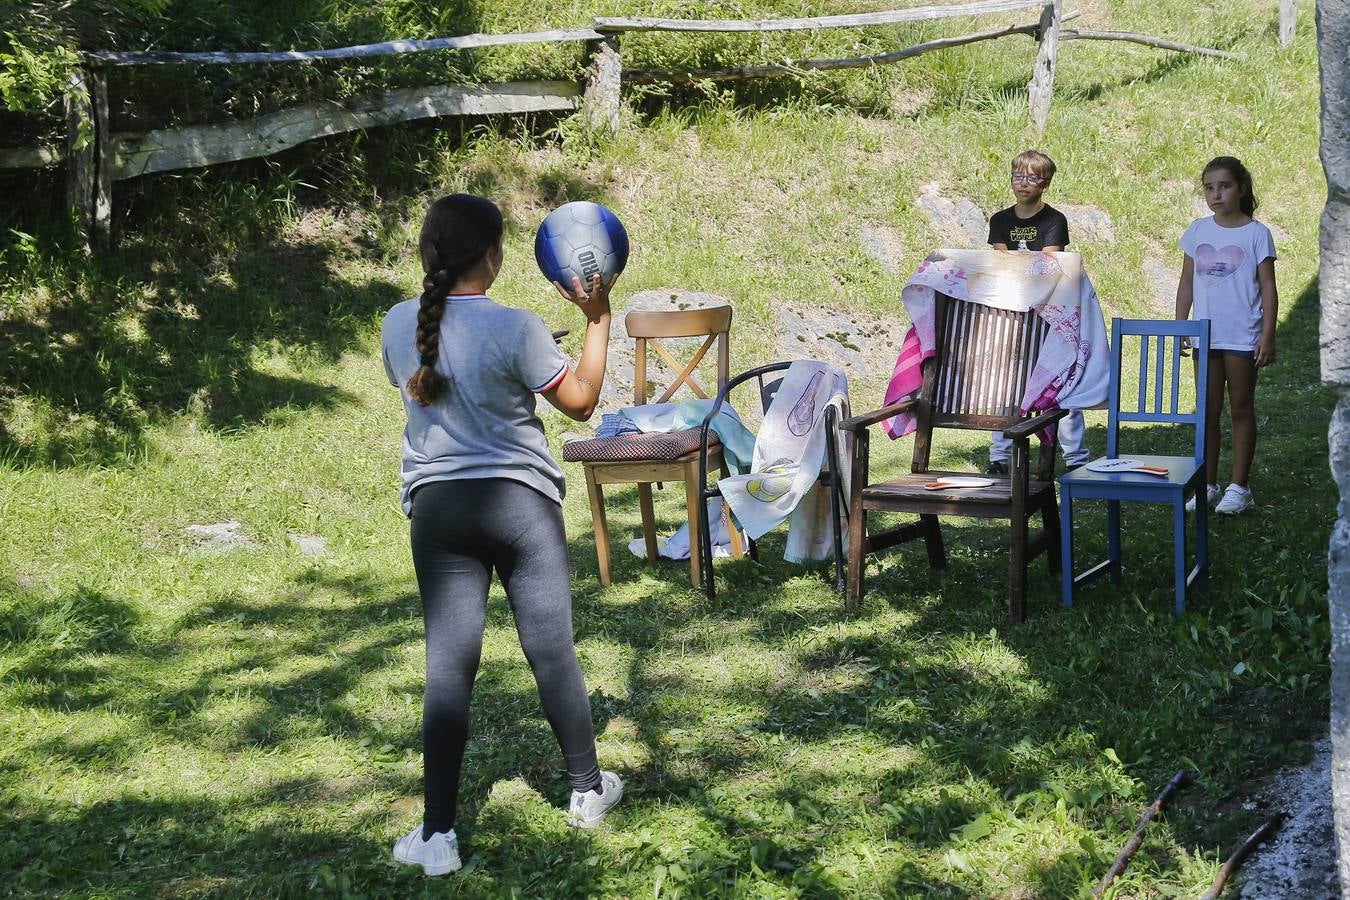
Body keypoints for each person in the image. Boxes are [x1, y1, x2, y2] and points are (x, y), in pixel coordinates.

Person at [381, 194, 623, 877]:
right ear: (493, 257)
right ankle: (585, 791)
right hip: (520, 506)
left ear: (429, 253)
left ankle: (436, 837)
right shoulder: (517, 328)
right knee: (551, 651)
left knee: (447, 668)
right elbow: (579, 401)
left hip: (439, 514)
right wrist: (598, 319)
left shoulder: (400, 324)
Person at [1176, 156, 1278, 515]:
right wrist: (1181, 327)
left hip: (1241, 335)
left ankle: (1239, 487)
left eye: (1224, 186)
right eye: (1209, 187)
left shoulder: (1256, 234)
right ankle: (1207, 484)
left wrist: (1267, 335)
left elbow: (1268, 289)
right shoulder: (1198, 231)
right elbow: (1186, 282)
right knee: (1208, 411)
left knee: (1240, 408)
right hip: (1205, 335)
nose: (1216, 194)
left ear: (1242, 188)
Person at [984, 149, 1088, 475]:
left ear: (1045, 183)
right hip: (1010, 312)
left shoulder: (1054, 220)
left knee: (1060, 382)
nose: (1023, 183)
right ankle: (999, 456)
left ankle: (1076, 459)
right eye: (1018, 175)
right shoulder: (1000, 221)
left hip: (1050, 315)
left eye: (1032, 177)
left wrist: (1020, 266)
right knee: (1004, 382)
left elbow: (1049, 266)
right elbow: (1001, 265)